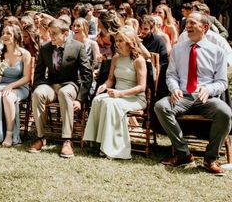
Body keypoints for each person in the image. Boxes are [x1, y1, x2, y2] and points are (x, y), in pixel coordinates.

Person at [154, 12, 232, 175]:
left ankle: (210, 159)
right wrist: (174, 87)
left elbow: (222, 82)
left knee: (225, 112)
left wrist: (209, 89)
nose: (187, 26)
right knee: (161, 106)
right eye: (187, 23)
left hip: (206, 98)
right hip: (182, 96)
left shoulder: (218, 51)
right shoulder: (178, 48)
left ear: (205, 27)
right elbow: (171, 75)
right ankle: (184, 154)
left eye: (192, 23)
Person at [29, 19, 93, 158]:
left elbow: (87, 75)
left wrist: (80, 99)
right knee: (38, 93)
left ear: (65, 34)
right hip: (51, 85)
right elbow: (39, 73)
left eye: (54, 33)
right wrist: (38, 87)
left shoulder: (78, 47)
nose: (51, 36)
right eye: (50, 33)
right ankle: (41, 137)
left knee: (64, 92)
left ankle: (67, 141)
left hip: (70, 85)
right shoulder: (45, 48)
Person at [82, 26, 147, 159]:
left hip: (134, 97)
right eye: (116, 41)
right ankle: (96, 142)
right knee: (98, 99)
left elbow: (142, 87)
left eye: (121, 41)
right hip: (117, 93)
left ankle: (112, 147)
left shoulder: (138, 60)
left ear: (129, 42)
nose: (117, 44)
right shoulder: (116, 58)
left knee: (111, 104)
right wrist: (104, 86)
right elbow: (110, 80)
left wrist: (120, 94)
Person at [0, 25, 32, 146]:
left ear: (16, 36)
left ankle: (9, 134)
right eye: (4, 33)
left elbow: (27, 77)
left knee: (8, 97)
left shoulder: (24, 54)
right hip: (2, 85)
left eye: (9, 34)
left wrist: (11, 86)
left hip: (20, 86)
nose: (5, 36)